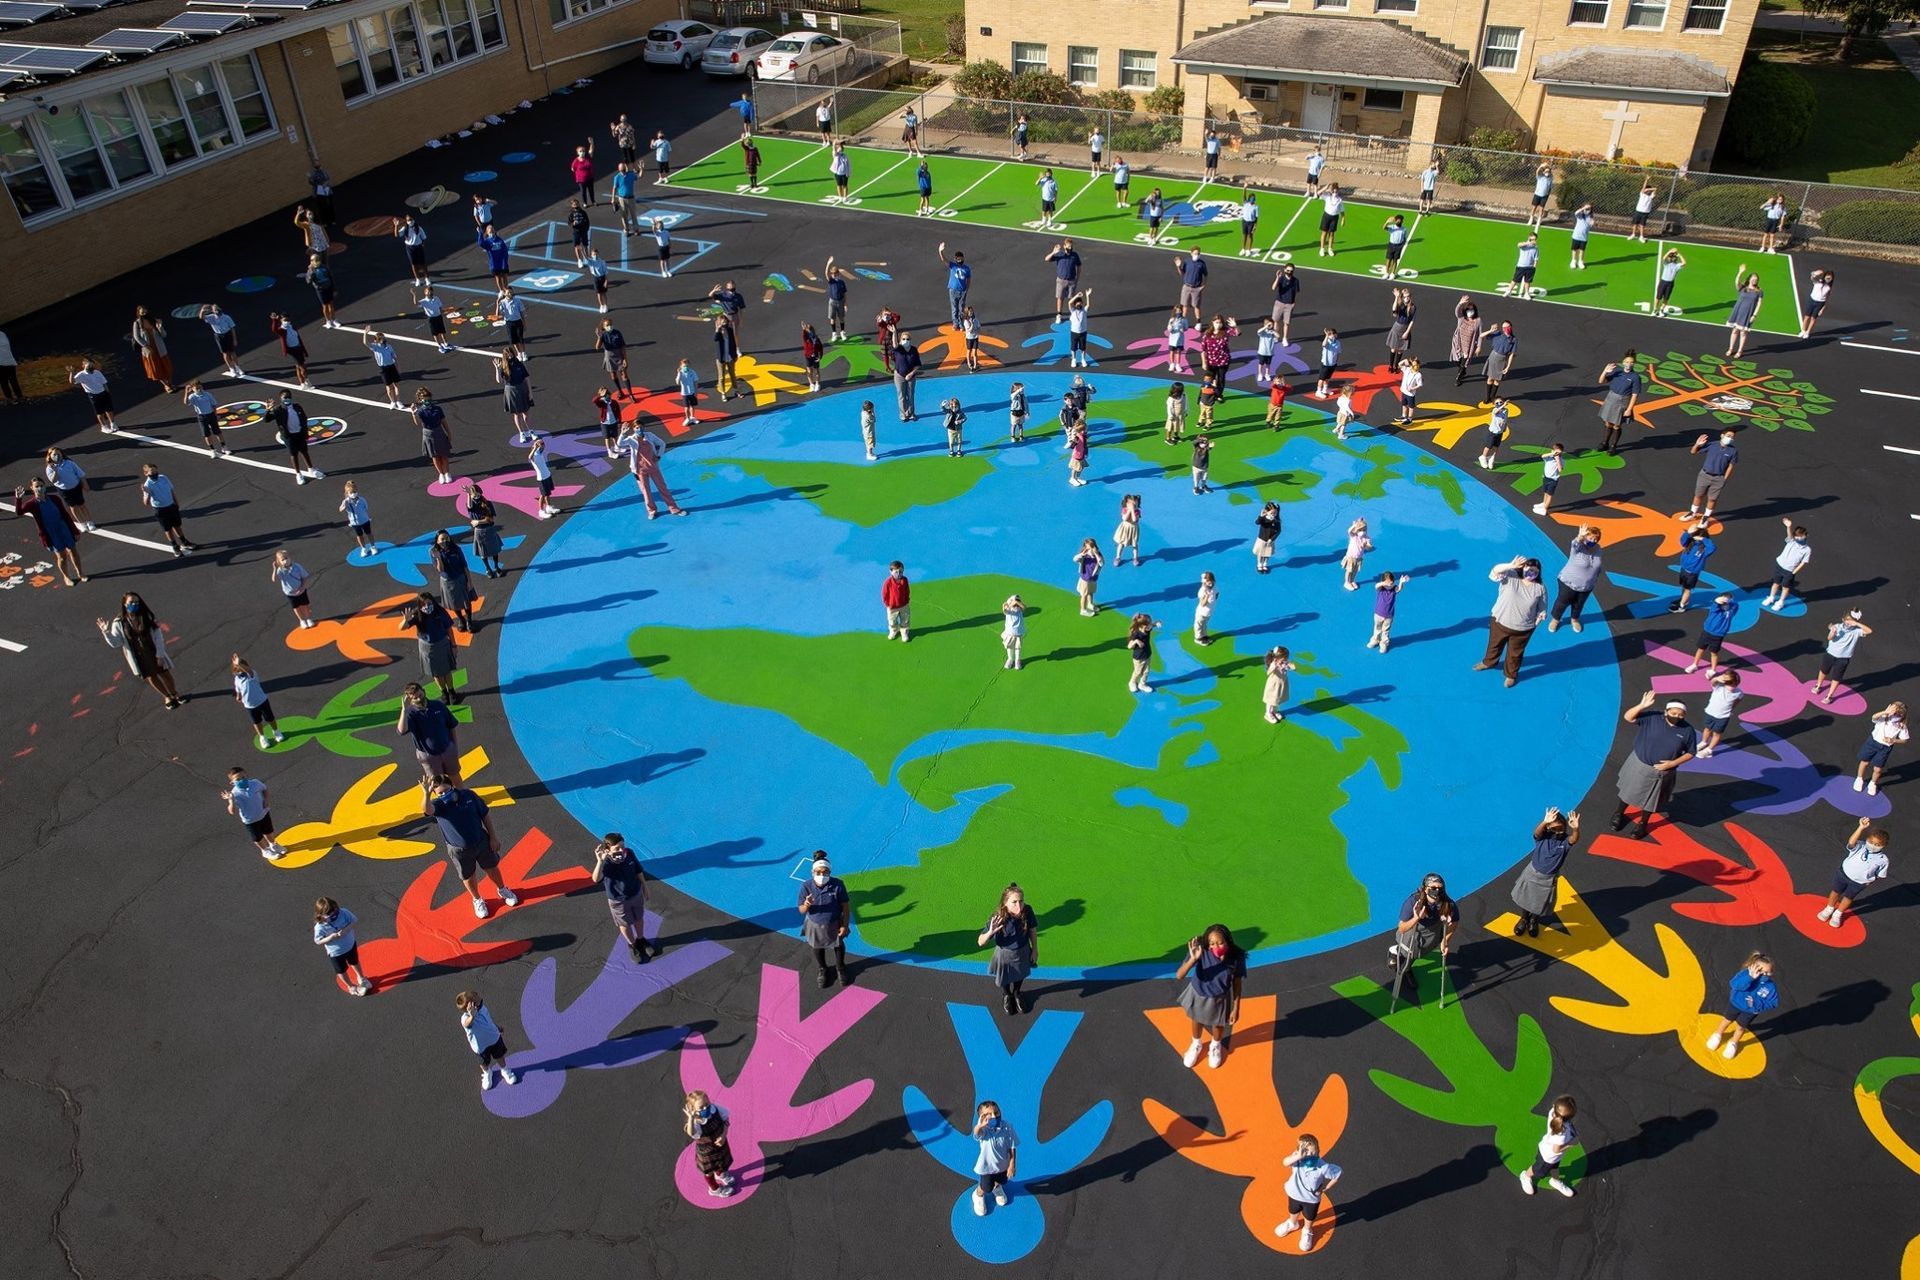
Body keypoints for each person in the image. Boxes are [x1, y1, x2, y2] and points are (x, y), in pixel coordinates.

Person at [427, 775, 520, 919]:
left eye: (446, 790)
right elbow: (427, 809)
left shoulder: (469, 795)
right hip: (458, 850)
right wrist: (426, 795)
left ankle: (503, 890)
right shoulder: (438, 805)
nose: (444, 795)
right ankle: (477, 899)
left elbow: (485, 815)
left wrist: (493, 837)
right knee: (468, 876)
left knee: (492, 868)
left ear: (452, 786)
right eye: (440, 793)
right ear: (435, 795)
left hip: (481, 841)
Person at [1610, 693, 1699, 840]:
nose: (1677, 716)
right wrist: (1642, 706)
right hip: (1639, 764)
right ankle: (1619, 813)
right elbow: (1628, 717)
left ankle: (1643, 823)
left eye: (1681, 715)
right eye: (1674, 713)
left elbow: (1691, 752)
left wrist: (1672, 763)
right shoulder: (1652, 717)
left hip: (1662, 772)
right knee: (1628, 792)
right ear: (1666, 712)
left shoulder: (1687, 730)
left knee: (1651, 801)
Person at [1175, 924, 1245, 1070]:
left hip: (1220, 997)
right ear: (1207, 943)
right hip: (1199, 993)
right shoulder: (1200, 951)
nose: (1216, 946)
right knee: (1197, 1020)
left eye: (1220, 942)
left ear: (1227, 941)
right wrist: (1193, 959)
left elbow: (1237, 983)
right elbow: (1179, 975)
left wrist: (1236, 1007)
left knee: (1218, 1024)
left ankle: (1215, 1045)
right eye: (1212, 943)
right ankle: (1196, 1044)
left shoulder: (1236, 957)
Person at [1475, 556, 1547, 687]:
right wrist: (1510, 565)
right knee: (1494, 645)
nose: (1531, 573)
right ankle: (1489, 662)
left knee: (1515, 653)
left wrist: (1539, 618)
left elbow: (1542, 608)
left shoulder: (1540, 588)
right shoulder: (1510, 576)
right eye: (1529, 569)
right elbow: (1494, 572)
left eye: (1535, 572)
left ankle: (1510, 675)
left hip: (1523, 629)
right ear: (1522, 568)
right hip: (1500, 622)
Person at [98, 593, 181, 707]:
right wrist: (106, 632)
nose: (134, 605)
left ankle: (174, 693)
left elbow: (158, 636)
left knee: (165, 673)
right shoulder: (119, 622)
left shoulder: (147, 616)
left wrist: (160, 654)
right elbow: (116, 643)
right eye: (131, 602)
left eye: (136, 602)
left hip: (153, 651)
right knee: (151, 676)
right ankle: (167, 696)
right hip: (139, 656)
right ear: (124, 603)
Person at [1511, 807, 1579, 937]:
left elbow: (1574, 840)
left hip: (1547, 879)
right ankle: (1524, 918)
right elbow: (1536, 833)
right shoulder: (1542, 837)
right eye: (1553, 828)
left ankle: (1534, 920)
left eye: (1560, 828)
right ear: (1548, 828)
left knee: (1538, 902)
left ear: (1565, 826)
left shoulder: (1565, 842)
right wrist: (1544, 822)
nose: (1557, 832)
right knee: (1526, 898)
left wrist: (1575, 829)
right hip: (1532, 873)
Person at [593, 833, 659, 963]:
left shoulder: (629, 853)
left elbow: (637, 870)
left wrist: (645, 887)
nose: (620, 850)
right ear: (607, 850)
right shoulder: (606, 862)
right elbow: (596, 879)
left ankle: (641, 940)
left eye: (622, 846)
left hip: (635, 894)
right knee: (624, 924)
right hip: (618, 900)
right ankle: (632, 944)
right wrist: (600, 861)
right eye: (616, 848)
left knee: (639, 918)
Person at [1390, 873, 1457, 990]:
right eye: (1433, 888)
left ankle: (1407, 963)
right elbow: (1402, 928)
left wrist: (1445, 941)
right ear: (1425, 889)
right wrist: (1416, 918)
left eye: (1440, 888)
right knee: (1411, 949)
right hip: (1413, 929)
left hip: (1432, 932)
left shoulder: (1448, 904)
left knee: (1420, 951)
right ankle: (1399, 956)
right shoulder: (1413, 902)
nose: (1437, 891)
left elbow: (1455, 922)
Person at [1822, 818, 1892, 931]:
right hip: (1843, 874)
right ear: (1867, 839)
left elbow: (1880, 874)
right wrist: (1861, 828)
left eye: (1877, 844)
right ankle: (1829, 908)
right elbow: (1851, 842)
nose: (1873, 845)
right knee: (1835, 891)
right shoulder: (1860, 846)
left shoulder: (1883, 860)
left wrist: (1868, 881)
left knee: (1848, 897)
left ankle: (1838, 914)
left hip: (1859, 883)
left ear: (1883, 845)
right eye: (1872, 842)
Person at [1274, 1136, 1341, 1252]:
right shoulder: (1297, 1159)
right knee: (1293, 1210)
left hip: (1311, 1199)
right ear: (1299, 1151)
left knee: (1309, 1216)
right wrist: (1299, 1156)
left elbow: (1337, 1173)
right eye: (1305, 1151)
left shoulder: (1322, 1167)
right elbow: (1285, 1162)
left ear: (1318, 1151)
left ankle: (1307, 1230)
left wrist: (1326, 1187)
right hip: (1294, 1194)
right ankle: (1292, 1223)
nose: (1309, 1154)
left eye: (1313, 1151)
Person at [978, 884, 1038, 1014]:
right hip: (1005, 955)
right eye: (1014, 902)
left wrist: (1034, 949)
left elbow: (1032, 930)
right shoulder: (998, 917)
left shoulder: (1027, 911)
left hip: (1023, 951)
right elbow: (980, 942)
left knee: (1020, 974)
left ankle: (1017, 993)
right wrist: (990, 932)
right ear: (1005, 903)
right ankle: (1007, 995)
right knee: (1004, 978)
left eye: (1021, 901)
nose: (1019, 906)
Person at [1706, 953, 1777, 1061]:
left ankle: (1733, 1042)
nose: (1764, 974)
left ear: (1772, 972)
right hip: (1735, 1003)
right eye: (1761, 971)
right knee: (1727, 1020)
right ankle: (1717, 1034)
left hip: (1750, 1011)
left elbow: (1773, 1003)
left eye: (1768, 973)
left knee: (1740, 1027)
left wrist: (1756, 1004)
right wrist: (1750, 978)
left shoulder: (1770, 987)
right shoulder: (1745, 974)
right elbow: (1734, 985)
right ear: (1753, 967)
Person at [397, 680, 461, 796]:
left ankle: (463, 796)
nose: (418, 699)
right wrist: (404, 710)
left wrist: (454, 746)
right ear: (410, 700)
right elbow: (401, 731)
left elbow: (451, 725)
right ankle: (444, 803)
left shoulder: (438, 705)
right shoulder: (410, 714)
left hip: (447, 749)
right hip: (428, 756)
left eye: (420, 695)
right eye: (415, 698)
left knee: (455, 775)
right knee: (436, 783)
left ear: (424, 691)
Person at [14, 480, 83, 585]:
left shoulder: (54, 499)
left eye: (41, 486)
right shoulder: (32, 504)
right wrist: (18, 499)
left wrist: (74, 530)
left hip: (63, 528)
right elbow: (19, 512)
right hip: (51, 534)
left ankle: (80, 573)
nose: (40, 488)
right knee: (62, 556)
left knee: (73, 551)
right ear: (32, 488)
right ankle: (66, 577)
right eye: (37, 486)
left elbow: (65, 515)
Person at [798, 854, 851, 988]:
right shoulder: (806, 886)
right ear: (813, 872)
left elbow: (845, 906)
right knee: (817, 946)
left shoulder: (838, 885)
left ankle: (840, 967)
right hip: (814, 924)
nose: (822, 875)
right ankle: (823, 969)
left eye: (825, 872)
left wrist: (845, 925)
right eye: (818, 872)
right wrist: (807, 904)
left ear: (830, 872)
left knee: (838, 945)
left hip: (834, 923)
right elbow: (802, 911)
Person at [401, 592, 461, 705]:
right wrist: (405, 620)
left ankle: (452, 691)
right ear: (419, 605)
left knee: (446, 671)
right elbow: (402, 628)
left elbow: (449, 629)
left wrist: (454, 645)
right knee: (436, 673)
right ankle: (444, 692)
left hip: (442, 644)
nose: (427, 607)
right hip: (427, 648)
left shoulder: (440, 612)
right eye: (423, 605)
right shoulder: (417, 614)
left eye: (429, 603)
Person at [456, 991, 520, 1091]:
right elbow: (467, 1025)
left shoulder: (483, 1008)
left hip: (494, 1038)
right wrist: (472, 1016)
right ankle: (487, 1073)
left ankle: (504, 1070)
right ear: (471, 1005)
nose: (478, 995)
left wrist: (497, 1027)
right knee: (484, 1063)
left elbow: (488, 1021)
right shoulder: (466, 1018)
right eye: (475, 996)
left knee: (500, 1056)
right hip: (480, 1046)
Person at [1546, 526, 1603, 634]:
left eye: (1596, 539)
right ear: (1585, 537)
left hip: (1587, 586)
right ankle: (1555, 620)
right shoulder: (1578, 547)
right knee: (1562, 602)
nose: (1593, 541)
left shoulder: (1598, 549)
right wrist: (1579, 536)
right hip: (1568, 583)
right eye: (1590, 538)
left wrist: (1594, 579)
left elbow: (1598, 566)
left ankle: (1574, 620)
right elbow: (1574, 544)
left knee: (1578, 604)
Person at [1520, 1097, 1579, 1197]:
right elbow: (1556, 1150)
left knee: (1555, 1168)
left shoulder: (1554, 1112)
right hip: (1547, 1156)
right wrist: (1571, 1144)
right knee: (1537, 1170)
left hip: (1553, 1156)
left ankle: (1555, 1180)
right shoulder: (1561, 1134)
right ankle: (1525, 1176)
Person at [314, 898, 372, 996]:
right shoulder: (320, 927)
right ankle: (350, 986)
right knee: (341, 971)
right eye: (330, 915)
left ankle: (361, 978)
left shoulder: (343, 912)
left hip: (350, 945)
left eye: (336, 912)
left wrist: (346, 929)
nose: (335, 916)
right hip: (335, 953)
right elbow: (318, 941)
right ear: (321, 915)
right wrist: (331, 937)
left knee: (355, 962)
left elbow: (354, 920)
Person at [1812, 609, 1871, 704]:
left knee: (1836, 677)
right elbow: (1829, 638)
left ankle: (1829, 695)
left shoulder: (1856, 631)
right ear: (1843, 619)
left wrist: (1857, 624)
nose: (1849, 623)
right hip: (1830, 654)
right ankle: (1818, 685)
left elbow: (1869, 631)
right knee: (1823, 671)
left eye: (1851, 621)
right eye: (1847, 620)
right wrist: (1833, 632)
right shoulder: (1837, 626)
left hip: (1843, 658)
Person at [224, 766, 284, 859]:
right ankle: (265, 851)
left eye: (243, 777)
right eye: (238, 779)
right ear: (232, 783)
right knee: (257, 838)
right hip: (250, 820)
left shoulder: (255, 783)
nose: (242, 780)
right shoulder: (234, 794)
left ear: (247, 776)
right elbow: (231, 811)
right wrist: (231, 801)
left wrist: (266, 800)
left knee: (269, 831)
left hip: (263, 813)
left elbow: (264, 789)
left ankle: (273, 845)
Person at [683, 1091, 735, 1197]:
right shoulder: (696, 1123)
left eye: (706, 1104)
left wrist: (724, 1135)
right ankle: (714, 1189)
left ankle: (720, 1174)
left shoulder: (714, 1109)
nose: (705, 1109)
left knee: (722, 1162)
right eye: (700, 1107)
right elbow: (691, 1133)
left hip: (721, 1145)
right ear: (693, 1110)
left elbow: (726, 1120)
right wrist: (691, 1118)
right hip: (707, 1152)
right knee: (709, 1171)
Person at [139, 464, 196, 557]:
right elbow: (146, 503)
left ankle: (184, 542)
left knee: (177, 525)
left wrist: (176, 502)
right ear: (146, 473)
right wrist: (146, 492)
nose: (155, 474)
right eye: (152, 472)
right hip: (160, 509)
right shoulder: (147, 485)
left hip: (171, 506)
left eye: (156, 471)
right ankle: (175, 546)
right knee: (168, 529)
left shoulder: (163, 477)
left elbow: (171, 490)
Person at [229, 654, 282, 750]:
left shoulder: (251, 674)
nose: (237, 672)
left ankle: (276, 731)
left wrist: (239, 663)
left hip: (262, 701)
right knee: (256, 722)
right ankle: (262, 737)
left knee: (270, 718)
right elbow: (238, 689)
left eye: (239, 669)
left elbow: (248, 670)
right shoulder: (237, 679)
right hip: (250, 706)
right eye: (236, 671)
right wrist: (238, 696)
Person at [271, 390, 324, 484]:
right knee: (294, 454)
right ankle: (298, 474)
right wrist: (268, 410)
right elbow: (266, 419)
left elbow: (304, 418)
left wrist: (305, 432)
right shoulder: (277, 410)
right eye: (285, 397)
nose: (287, 399)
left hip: (299, 433)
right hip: (289, 436)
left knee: (304, 451)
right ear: (281, 399)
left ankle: (311, 469)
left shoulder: (297, 406)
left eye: (288, 397)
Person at [1856, 702, 1908, 796]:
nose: (1895, 715)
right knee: (1865, 762)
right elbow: (1874, 717)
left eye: (1898, 714)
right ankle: (1859, 779)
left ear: (1902, 715)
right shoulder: (1883, 717)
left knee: (1878, 769)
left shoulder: (1901, 725)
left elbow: (1904, 740)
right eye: (1894, 711)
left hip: (1885, 748)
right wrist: (1885, 712)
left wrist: (1893, 740)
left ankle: (1872, 783)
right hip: (1872, 742)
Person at [1595, 352, 1642, 454]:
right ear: (1623, 362)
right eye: (1627, 362)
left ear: (1634, 364)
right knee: (1607, 422)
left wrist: (1629, 409)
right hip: (1610, 398)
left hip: (1622, 401)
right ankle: (1605, 443)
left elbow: (1635, 394)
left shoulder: (1635, 377)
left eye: (1631, 362)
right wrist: (1605, 371)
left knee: (1617, 425)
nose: (1629, 364)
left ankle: (1613, 446)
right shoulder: (1617, 371)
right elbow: (1601, 381)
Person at [1761, 517, 1811, 612]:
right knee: (1775, 583)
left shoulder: (1807, 550)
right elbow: (1789, 535)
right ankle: (1771, 597)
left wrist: (1794, 572)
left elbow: (1803, 562)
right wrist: (1789, 527)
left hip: (1789, 571)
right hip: (1779, 565)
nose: (1798, 538)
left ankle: (1781, 602)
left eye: (1801, 536)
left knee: (1785, 587)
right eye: (1796, 536)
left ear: (1806, 536)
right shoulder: (1792, 541)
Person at [1686, 430, 1738, 520]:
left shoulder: (1733, 451)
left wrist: (1724, 479)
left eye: (1732, 437)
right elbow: (1693, 452)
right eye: (1728, 435)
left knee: (1712, 499)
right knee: (1698, 495)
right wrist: (1697, 444)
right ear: (1722, 435)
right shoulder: (1712, 445)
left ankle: (1705, 517)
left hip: (1718, 478)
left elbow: (1730, 466)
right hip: (1704, 475)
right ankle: (1692, 513)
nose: (1730, 438)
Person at [43, 447, 94, 531]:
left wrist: (85, 484)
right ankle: (82, 523)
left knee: (81, 504)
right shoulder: (49, 468)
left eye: (59, 454)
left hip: (76, 487)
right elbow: (53, 480)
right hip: (64, 490)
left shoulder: (69, 463)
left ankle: (89, 522)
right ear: (50, 456)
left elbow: (80, 474)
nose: (57, 456)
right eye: (54, 454)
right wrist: (55, 471)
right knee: (73, 506)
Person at [1686, 594, 1738, 675]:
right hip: (1707, 632)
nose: (1725, 604)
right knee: (1700, 649)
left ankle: (1713, 670)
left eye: (1727, 602)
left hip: (1718, 635)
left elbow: (1735, 604)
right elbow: (1716, 604)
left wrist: (1728, 600)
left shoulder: (1732, 609)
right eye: (1723, 603)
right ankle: (1694, 665)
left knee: (1714, 653)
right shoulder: (1715, 609)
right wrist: (1719, 601)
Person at [1697, 669, 1742, 759]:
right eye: (1729, 684)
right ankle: (1704, 742)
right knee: (1707, 729)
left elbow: (1737, 701)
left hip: (1723, 717)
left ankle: (1709, 750)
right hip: (1709, 712)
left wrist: (1730, 710)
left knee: (1716, 734)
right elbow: (1713, 681)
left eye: (1734, 685)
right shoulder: (1718, 687)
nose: (1732, 687)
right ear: (1725, 682)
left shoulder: (1739, 693)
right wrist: (1717, 678)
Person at [412, 388, 454, 486]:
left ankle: (447, 473)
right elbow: (418, 423)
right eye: (425, 400)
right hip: (428, 434)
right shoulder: (420, 411)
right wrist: (414, 414)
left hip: (439, 432)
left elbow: (444, 422)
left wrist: (449, 433)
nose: (427, 401)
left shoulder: (438, 409)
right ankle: (441, 474)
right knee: (435, 456)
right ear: (420, 400)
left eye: (429, 399)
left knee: (444, 454)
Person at [131, 306, 174, 392]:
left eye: (145, 312)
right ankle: (166, 385)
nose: (144, 314)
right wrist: (146, 346)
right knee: (156, 370)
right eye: (142, 312)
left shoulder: (154, 320)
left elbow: (164, 335)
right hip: (149, 350)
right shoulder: (137, 323)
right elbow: (136, 337)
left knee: (167, 368)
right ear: (138, 313)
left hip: (160, 348)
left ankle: (169, 383)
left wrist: (160, 327)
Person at [272, 548, 316, 630]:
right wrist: (275, 569)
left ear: (290, 557)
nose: (285, 560)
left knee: (305, 605)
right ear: (279, 562)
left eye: (287, 558)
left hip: (301, 591)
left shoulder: (297, 567)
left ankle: (308, 619)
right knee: (296, 607)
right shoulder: (280, 571)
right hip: (290, 593)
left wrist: (303, 588)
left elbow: (304, 577)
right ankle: (302, 620)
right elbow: (274, 579)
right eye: (283, 559)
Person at [68, 359, 116, 433]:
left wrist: (107, 392)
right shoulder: (81, 375)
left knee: (109, 409)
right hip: (93, 395)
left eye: (92, 365)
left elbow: (104, 383)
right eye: (89, 365)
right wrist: (71, 372)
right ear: (83, 366)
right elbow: (72, 382)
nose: (91, 366)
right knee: (100, 412)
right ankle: (104, 427)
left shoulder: (97, 372)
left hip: (103, 393)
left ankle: (113, 424)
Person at [1368, 572, 1410, 653]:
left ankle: (1384, 644)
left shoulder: (1394, 588)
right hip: (1378, 614)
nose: (1389, 585)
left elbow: (1399, 589)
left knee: (1386, 631)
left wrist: (1401, 582)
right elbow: (1376, 586)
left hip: (1389, 615)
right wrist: (1384, 583)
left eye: (1391, 582)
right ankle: (1375, 640)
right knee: (1377, 628)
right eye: (1387, 583)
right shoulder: (1381, 588)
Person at [362, 329, 404, 410]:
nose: (382, 340)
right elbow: (365, 343)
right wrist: (365, 333)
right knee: (389, 386)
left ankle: (398, 401)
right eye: (380, 339)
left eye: (383, 338)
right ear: (376, 340)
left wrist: (398, 368)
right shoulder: (375, 347)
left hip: (392, 366)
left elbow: (394, 357)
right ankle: (393, 402)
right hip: (383, 369)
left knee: (397, 385)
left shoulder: (389, 346)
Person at [496, 353, 533, 442]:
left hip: (522, 389)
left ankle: (531, 431)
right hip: (511, 391)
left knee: (526, 412)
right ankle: (521, 433)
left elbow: (526, 378)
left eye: (511, 354)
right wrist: (497, 368)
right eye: (507, 355)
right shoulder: (504, 367)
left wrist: (530, 392)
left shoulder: (519, 364)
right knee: (517, 414)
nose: (510, 357)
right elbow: (499, 380)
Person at [268, 312, 312, 388]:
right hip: (293, 351)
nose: (287, 321)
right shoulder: (281, 330)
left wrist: (303, 350)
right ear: (281, 320)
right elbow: (274, 329)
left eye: (288, 319)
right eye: (285, 320)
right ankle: (307, 381)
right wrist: (274, 320)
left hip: (298, 348)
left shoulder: (292, 327)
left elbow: (298, 339)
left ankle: (302, 383)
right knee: (303, 367)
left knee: (298, 366)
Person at [1726, 273, 1764, 359]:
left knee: (1743, 333)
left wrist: (1754, 315)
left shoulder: (1759, 291)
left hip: (1748, 313)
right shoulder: (1743, 288)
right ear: (1749, 279)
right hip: (1738, 312)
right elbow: (1736, 282)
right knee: (1735, 330)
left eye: (1756, 280)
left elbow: (1759, 304)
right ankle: (1731, 349)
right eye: (1753, 279)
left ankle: (1740, 351)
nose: (1755, 281)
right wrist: (1740, 272)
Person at [1480, 321, 1517, 406]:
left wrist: (1507, 367)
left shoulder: (1513, 339)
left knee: (1497, 380)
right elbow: (1481, 336)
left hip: (1502, 359)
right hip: (1493, 357)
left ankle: (1493, 398)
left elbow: (1511, 354)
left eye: (1507, 327)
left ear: (1511, 327)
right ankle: (1487, 398)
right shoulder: (1498, 334)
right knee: (1490, 378)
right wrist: (1490, 330)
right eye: (1504, 327)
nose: (1505, 329)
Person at [596, 319, 633, 399]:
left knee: (624, 375)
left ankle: (630, 394)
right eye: (607, 325)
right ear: (603, 327)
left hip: (619, 355)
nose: (610, 326)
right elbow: (597, 347)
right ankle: (620, 391)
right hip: (609, 356)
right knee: (613, 375)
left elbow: (623, 347)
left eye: (610, 324)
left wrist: (625, 359)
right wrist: (599, 338)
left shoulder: (617, 333)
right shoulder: (603, 335)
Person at [1450, 296, 1482, 386]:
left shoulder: (1478, 321)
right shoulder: (1462, 318)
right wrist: (1460, 303)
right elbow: (1457, 312)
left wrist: (1479, 346)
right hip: (1458, 342)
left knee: (1465, 361)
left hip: (1468, 345)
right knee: (1457, 360)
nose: (1470, 312)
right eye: (1468, 310)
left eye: (1472, 310)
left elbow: (1480, 334)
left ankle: (1458, 378)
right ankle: (1462, 370)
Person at [937, 242, 971, 325]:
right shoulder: (953, 266)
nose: (960, 260)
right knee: (954, 308)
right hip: (953, 290)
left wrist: (966, 289)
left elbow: (969, 279)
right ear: (955, 259)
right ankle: (955, 324)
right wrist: (940, 251)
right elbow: (943, 260)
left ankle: (961, 323)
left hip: (962, 291)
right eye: (958, 259)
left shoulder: (967, 268)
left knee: (961, 308)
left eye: (961, 259)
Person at [892, 331, 922, 423]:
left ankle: (911, 413)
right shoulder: (899, 349)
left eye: (907, 339)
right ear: (901, 340)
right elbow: (894, 344)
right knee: (901, 395)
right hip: (899, 375)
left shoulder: (914, 350)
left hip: (911, 377)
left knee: (910, 395)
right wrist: (894, 332)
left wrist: (911, 374)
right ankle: (903, 414)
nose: (906, 341)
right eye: (903, 339)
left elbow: (917, 364)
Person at [395, 212, 430, 291]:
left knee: (423, 263)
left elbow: (424, 237)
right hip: (410, 248)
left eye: (411, 219)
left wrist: (423, 245)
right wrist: (396, 225)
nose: (410, 221)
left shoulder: (418, 228)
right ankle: (418, 279)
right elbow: (397, 235)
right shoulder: (405, 229)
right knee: (414, 264)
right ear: (406, 221)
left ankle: (427, 278)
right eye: (408, 220)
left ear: (413, 220)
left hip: (419, 247)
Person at [1126, 613, 1158, 694]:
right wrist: (1136, 641)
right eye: (1149, 623)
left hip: (1147, 654)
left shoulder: (1147, 629)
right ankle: (1132, 682)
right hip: (1138, 657)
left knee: (1146, 671)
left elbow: (1153, 625)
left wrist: (1156, 623)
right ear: (1143, 625)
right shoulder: (1136, 634)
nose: (1151, 624)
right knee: (1138, 672)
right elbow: (1129, 646)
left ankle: (1142, 684)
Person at [304, 253, 339, 328]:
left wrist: (334, 289)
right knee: (325, 306)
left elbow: (331, 278)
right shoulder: (311, 270)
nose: (316, 261)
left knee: (331, 304)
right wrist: (311, 271)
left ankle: (334, 320)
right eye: (314, 260)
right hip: (321, 290)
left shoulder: (324, 267)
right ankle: (328, 321)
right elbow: (308, 281)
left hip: (328, 288)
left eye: (317, 260)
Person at [1263, 647, 1296, 723]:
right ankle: (1268, 713)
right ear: (1277, 658)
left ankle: (1274, 711)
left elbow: (1294, 667)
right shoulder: (1273, 664)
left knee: (1277, 699)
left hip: (1281, 684)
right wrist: (1274, 667)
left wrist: (1289, 665)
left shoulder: (1284, 662)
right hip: (1273, 685)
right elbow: (1268, 673)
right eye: (1284, 658)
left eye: (1286, 658)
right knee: (1271, 700)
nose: (1286, 659)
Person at [711, 314, 740, 402]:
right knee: (721, 377)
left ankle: (736, 390)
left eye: (726, 322)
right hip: (721, 358)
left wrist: (735, 355)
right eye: (723, 323)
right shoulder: (718, 333)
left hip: (730, 356)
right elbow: (715, 339)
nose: (725, 324)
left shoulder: (730, 330)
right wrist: (717, 330)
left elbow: (733, 343)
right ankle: (723, 393)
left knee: (732, 374)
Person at [1531, 442, 1565, 516]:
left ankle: (1544, 509)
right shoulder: (1548, 458)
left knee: (1549, 495)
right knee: (1545, 492)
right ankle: (1544, 503)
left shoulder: (1561, 460)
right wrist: (1552, 454)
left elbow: (1560, 470)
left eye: (1559, 453)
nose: (1557, 454)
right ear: (1552, 451)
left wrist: (1558, 460)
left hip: (1553, 480)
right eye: (1556, 452)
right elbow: (1542, 456)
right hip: (1546, 477)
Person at [494, 288, 528, 362]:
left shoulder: (517, 300)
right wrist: (497, 303)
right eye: (508, 292)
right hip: (509, 323)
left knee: (520, 339)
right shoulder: (502, 302)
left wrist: (524, 324)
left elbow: (522, 312)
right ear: (505, 294)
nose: (510, 294)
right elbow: (497, 315)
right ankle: (519, 353)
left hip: (518, 322)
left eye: (511, 292)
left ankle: (524, 353)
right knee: (514, 340)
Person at [1477, 397, 1511, 469]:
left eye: (1501, 402)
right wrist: (1503, 405)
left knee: (1496, 446)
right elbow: (1495, 412)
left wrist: (1505, 427)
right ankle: (1483, 457)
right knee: (1488, 446)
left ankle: (1492, 458)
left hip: (1500, 432)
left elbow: (1505, 419)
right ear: (1494, 404)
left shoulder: (1506, 410)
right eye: (1497, 403)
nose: (1499, 404)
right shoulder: (1495, 410)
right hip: (1493, 432)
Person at [1174, 247, 1208, 321]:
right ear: (1191, 253)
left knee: (1196, 306)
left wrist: (1203, 286)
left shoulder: (1202, 263)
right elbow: (1182, 273)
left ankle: (1198, 322)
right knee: (1185, 305)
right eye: (1195, 253)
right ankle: (1182, 321)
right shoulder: (1187, 261)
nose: (1197, 255)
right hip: (1186, 287)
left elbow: (1205, 275)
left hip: (1196, 288)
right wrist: (1178, 267)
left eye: (1198, 253)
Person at [1385, 288, 1416, 369]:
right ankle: (1391, 366)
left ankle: (1396, 366)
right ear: (1402, 297)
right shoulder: (1400, 305)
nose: (1407, 298)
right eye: (1405, 296)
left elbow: (1412, 321)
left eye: (1408, 296)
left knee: (1400, 349)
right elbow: (1394, 310)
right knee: (1393, 348)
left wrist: (1407, 332)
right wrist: (1396, 297)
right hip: (1397, 328)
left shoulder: (1413, 307)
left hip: (1405, 329)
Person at [881, 560, 912, 641]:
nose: (898, 574)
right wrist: (888, 604)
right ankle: (894, 630)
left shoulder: (905, 580)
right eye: (896, 572)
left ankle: (904, 631)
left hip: (904, 605)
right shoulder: (887, 583)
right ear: (890, 571)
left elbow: (907, 590)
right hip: (892, 606)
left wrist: (906, 600)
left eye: (901, 572)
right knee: (892, 620)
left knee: (905, 619)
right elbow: (884, 594)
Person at [1271, 264, 1301, 343]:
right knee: (1276, 321)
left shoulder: (1295, 281)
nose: (1289, 272)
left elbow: (1296, 292)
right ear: (1284, 270)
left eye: (1291, 271)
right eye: (1288, 270)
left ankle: (1285, 338)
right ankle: (1275, 336)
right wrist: (1277, 277)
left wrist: (1294, 303)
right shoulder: (1281, 279)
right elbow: (1273, 288)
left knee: (1286, 323)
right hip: (1279, 302)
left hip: (1289, 304)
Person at [1801, 269, 1835, 338]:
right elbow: (1812, 277)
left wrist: (1822, 309)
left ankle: (1808, 332)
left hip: (1820, 303)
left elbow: (1826, 298)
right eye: (1828, 277)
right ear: (1825, 276)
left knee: (1813, 318)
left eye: (1830, 278)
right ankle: (1803, 331)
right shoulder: (1818, 282)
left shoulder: (1829, 287)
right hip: (1812, 300)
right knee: (1807, 317)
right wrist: (1816, 273)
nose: (1828, 279)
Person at [1341, 517, 1373, 591]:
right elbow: (1349, 531)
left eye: (1364, 530)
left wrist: (1367, 545)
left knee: (1354, 571)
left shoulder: (1366, 538)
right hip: (1351, 557)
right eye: (1360, 530)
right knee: (1349, 571)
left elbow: (1369, 548)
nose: (1362, 532)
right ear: (1357, 530)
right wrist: (1354, 526)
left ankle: (1352, 581)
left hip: (1359, 558)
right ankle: (1346, 582)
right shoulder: (1354, 536)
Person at [1074, 538, 1104, 615]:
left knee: (1091, 592)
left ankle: (1090, 604)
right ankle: (1083, 610)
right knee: (1084, 595)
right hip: (1085, 578)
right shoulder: (1084, 555)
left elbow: (1101, 564)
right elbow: (1075, 559)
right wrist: (1081, 554)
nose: (1090, 550)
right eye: (1088, 547)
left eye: (1091, 547)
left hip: (1093, 578)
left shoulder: (1098, 554)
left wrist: (1096, 554)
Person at [1652, 249, 1685, 316]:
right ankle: (1655, 310)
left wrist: (1679, 255)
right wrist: (1669, 251)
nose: (1671, 258)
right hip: (1663, 282)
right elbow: (1663, 258)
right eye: (1670, 257)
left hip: (1670, 284)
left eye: (1672, 257)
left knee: (1666, 298)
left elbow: (1684, 263)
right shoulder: (1666, 264)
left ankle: (1661, 310)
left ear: (1675, 259)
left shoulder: (1677, 266)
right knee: (1658, 297)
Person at [1392, 357, 1423, 427]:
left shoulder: (1418, 375)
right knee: (1404, 404)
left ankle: (1410, 419)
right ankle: (1404, 416)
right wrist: (1406, 360)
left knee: (1411, 407)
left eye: (1416, 366)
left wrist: (1412, 388)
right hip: (1404, 391)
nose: (1416, 367)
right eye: (1414, 365)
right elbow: (1399, 364)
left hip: (1410, 394)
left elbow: (1420, 384)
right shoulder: (1407, 370)